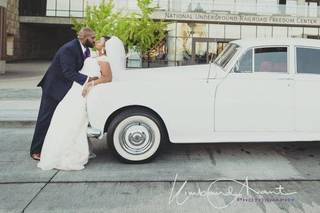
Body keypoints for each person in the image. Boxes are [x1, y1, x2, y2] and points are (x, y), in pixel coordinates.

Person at [37, 36, 125, 171]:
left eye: (100, 41)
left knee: (73, 121)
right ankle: (56, 152)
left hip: (82, 91)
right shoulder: (93, 55)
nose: (96, 41)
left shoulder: (104, 59)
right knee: (61, 118)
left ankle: (69, 153)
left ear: (106, 47)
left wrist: (91, 84)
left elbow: (107, 78)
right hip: (74, 90)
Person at [30, 27, 98, 161]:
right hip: (53, 87)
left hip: (65, 88)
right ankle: (36, 150)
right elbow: (68, 72)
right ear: (85, 38)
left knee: (57, 119)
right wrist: (88, 80)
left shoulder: (85, 49)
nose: (94, 40)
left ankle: (51, 146)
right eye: (93, 38)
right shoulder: (69, 49)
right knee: (45, 118)